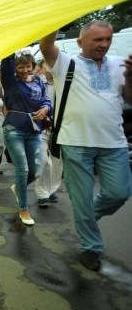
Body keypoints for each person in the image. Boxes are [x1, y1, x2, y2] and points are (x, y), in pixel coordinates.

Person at [40, 20, 132, 271]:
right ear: (80, 42)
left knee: (120, 192)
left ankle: (88, 217)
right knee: (81, 200)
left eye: (107, 39)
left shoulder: (119, 63)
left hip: (114, 142)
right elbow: (46, 45)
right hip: (75, 143)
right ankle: (91, 247)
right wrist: (57, 15)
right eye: (97, 40)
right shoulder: (66, 63)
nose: (104, 44)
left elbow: (130, 99)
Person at [0, 51, 52, 226]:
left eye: (27, 66)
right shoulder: (10, 82)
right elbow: (6, 65)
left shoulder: (38, 81)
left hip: (34, 130)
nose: (24, 70)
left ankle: (18, 186)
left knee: (36, 171)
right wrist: (10, 50)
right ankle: (24, 209)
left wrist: (45, 109)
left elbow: (46, 99)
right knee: (21, 170)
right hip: (14, 128)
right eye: (20, 66)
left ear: (33, 66)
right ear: (15, 68)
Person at [33, 60, 62, 207]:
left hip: (61, 129)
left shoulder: (64, 83)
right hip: (42, 127)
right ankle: (42, 193)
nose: (50, 69)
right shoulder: (37, 84)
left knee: (57, 162)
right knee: (44, 160)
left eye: (53, 66)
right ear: (42, 69)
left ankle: (51, 190)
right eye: (47, 67)